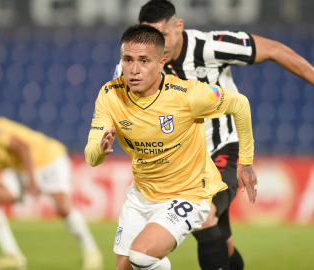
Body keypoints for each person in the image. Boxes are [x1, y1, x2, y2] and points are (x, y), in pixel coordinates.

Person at [113, 1, 314, 269]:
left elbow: (273, 49)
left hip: (221, 150)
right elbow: (121, 106)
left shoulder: (210, 46)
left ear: (178, 26)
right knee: (222, 243)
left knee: (206, 217)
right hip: (182, 165)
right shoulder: (138, 64)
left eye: (162, 36)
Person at [86, 24, 257, 270]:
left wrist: (246, 162)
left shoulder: (187, 95)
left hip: (187, 192)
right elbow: (91, 157)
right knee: (124, 267)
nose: (134, 70)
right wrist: (100, 150)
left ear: (161, 62)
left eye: (144, 60)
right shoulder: (110, 95)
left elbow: (240, 104)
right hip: (142, 194)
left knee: (142, 256)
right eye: (127, 59)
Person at [0, 117, 103, 270]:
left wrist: (32, 180)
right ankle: (13, 256)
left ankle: (92, 252)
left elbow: (23, 147)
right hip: (23, 169)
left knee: (63, 209)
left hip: (49, 158)